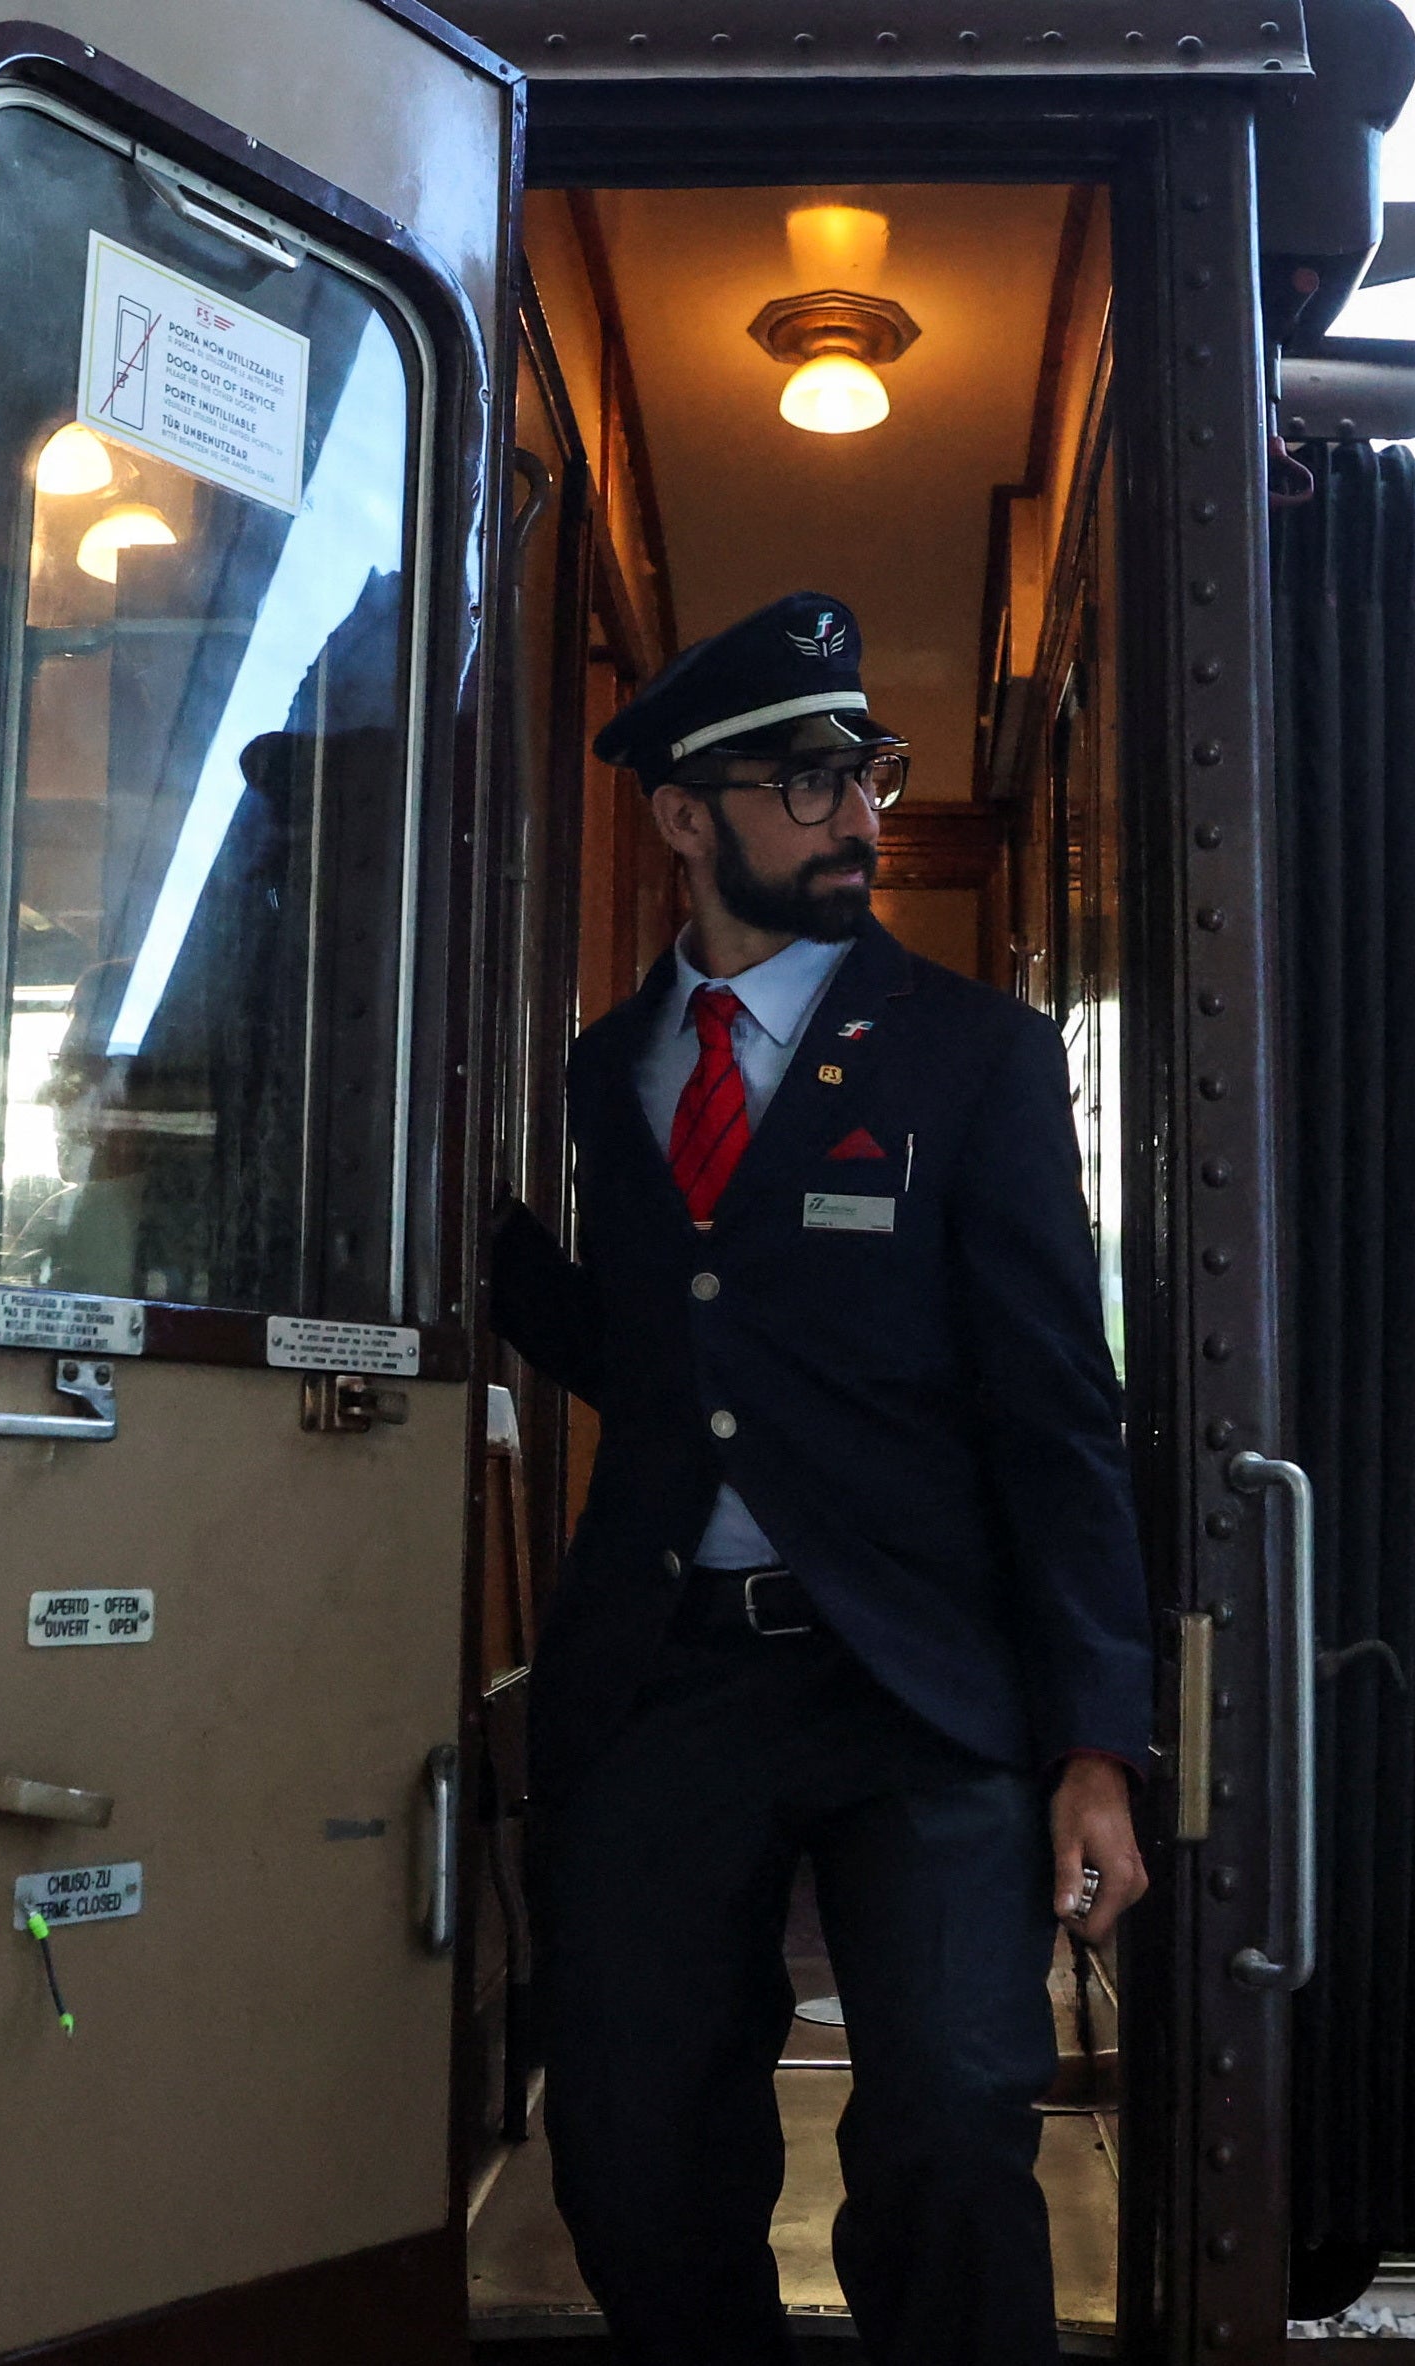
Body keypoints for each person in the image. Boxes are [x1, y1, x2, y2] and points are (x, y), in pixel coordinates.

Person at [490, 591, 1152, 2366]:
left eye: (866, 768)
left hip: (915, 1683)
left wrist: (1096, 1740)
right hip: (666, 1671)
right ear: (683, 817)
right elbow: (664, 1359)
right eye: (803, 781)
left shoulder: (974, 1056)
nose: (856, 812)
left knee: (946, 2129)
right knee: (625, 2153)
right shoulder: (606, 1068)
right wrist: (462, 1249)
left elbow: (1053, 1409)